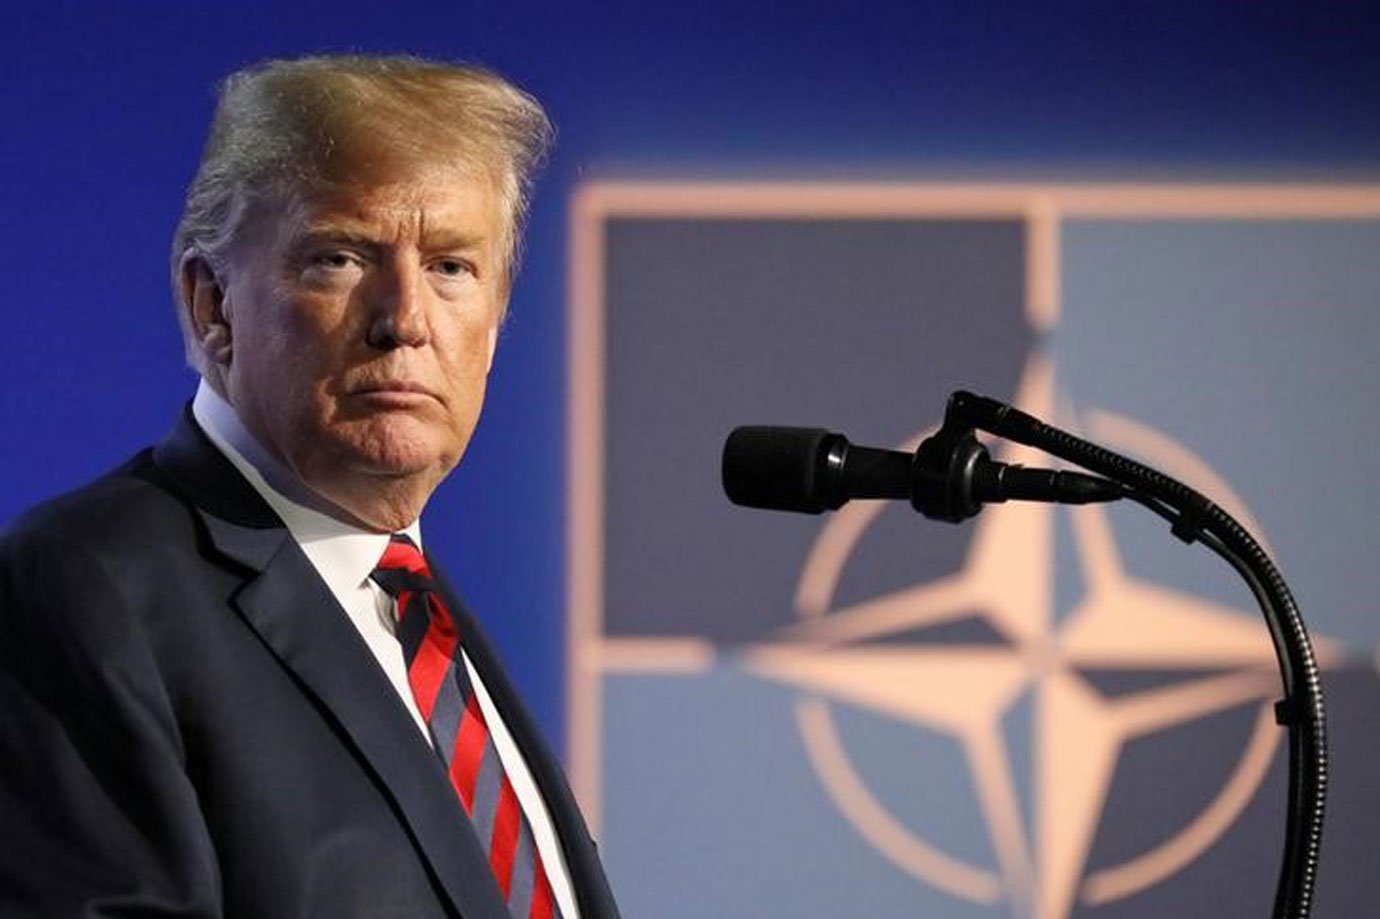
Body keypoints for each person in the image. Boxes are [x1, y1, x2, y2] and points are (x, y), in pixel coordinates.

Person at [0, 55, 620, 919]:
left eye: (451, 267)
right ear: (212, 304)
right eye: (339, 257)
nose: (405, 320)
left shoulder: (417, 614)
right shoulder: (84, 589)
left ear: (493, 323)